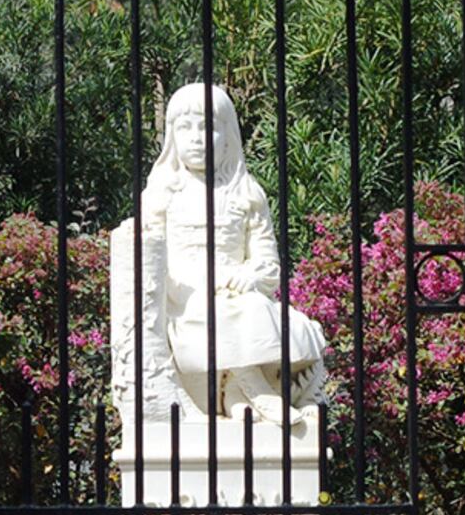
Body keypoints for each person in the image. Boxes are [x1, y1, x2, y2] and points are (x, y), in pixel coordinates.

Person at [129, 81, 329, 417]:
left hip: (239, 295)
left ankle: (239, 392)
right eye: (185, 127)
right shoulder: (161, 194)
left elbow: (267, 262)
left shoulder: (247, 193)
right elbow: (146, 258)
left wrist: (249, 275)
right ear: (171, 135)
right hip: (185, 299)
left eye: (208, 128)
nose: (196, 138)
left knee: (269, 315)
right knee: (227, 312)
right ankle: (256, 393)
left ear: (229, 136)